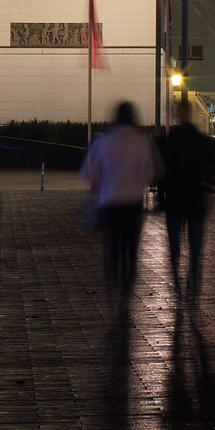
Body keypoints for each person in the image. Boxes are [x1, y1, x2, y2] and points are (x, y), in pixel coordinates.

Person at [81, 101, 165, 314]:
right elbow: (150, 174)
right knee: (130, 252)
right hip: (133, 203)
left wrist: (101, 184)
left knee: (112, 251)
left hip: (109, 203)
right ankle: (125, 298)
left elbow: (87, 173)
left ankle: (112, 294)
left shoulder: (104, 142)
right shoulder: (141, 142)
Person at [157, 98, 215, 292]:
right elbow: (212, 172)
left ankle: (177, 278)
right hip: (194, 200)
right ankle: (192, 276)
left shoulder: (169, 141)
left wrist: (161, 197)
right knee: (195, 246)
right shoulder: (201, 141)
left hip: (175, 200)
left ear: (178, 114)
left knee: (175, 245)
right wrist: (210, 200)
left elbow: (161, 171)